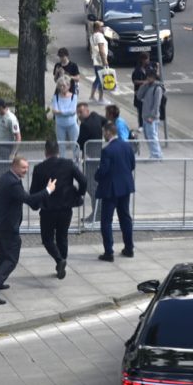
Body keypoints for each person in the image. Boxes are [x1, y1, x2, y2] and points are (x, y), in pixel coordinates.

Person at [0, 156, 55, 304]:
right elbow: (28, 199)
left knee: (3, 255)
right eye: (23, 168)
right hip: (8, 226)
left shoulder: (8, 177)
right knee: (11, 258)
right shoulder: (12, 183)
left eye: (27, 168)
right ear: (15, 166)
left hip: (1, 223)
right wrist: (48, 190)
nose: (26, 171)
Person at [30, 139, 86, 279]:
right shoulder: (68, 164)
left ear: (45, 151)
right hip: (65, 207)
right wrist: (78, 194)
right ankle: (62, 261)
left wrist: (35, 204)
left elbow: (33, 191)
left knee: (47, 239)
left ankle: (59, 259)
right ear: (58, 151)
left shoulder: (39, 168)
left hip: (48, 209)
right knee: (62, 236)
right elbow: (83, 180)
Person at [95, 122, 135, 261]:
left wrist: (96, 175)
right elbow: (132, 165)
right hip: (125, 187)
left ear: (107, 132)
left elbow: (103, 170)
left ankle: (109, 252)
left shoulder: (107, 150)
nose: (103, 136)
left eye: (104, 133)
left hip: (111, 190)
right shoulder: (127, 146)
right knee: (125, 218)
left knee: (106, 220)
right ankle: (129, 248)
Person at [77, 102, 107, 220]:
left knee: (91, 185)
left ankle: (97, 213)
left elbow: (79, 143)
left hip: (90, 156)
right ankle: (98, 211)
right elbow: (105, 121)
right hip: (98, 153)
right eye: (78, 113)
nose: (79, 115)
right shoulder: (96, 116)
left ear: (87, 111)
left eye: (81, 112)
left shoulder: (84, 126)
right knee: (94, 184)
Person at [49, 76, 79, 148]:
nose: (62, 88)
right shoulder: (55, 97)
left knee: (74, 144)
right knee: (61, 145)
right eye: (60, 86)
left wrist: (61, 112)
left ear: (68, 86)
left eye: (64, 86)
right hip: (60, 125)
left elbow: (73, 111)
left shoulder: (73, 97)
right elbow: (54, 111)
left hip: (72, 124)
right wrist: (66, 112)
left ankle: (76, 158)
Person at [131, 53, 157, 128]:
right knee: (140, 110)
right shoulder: (137, 70)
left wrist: (157, 68)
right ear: (142, 60)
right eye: (146, 59)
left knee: (148, 108)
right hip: (139, 92)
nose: (148, 60)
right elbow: (134, 81)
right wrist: (143, 82)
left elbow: (155, 76)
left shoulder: (149, 67)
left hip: (148, 93)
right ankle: (141, 125)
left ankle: (147, 123)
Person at [88, 20, 109, 103]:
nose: (103, 28)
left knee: (98, 78)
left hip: (96, 60)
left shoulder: (92, 36)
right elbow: (101, 49)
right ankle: (100, 98)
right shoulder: (99, 36)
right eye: (102, 26)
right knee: (101, 79)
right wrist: (105, 61)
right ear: (98, 28)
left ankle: (92, 96)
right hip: (100, 60)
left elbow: (91, 49)